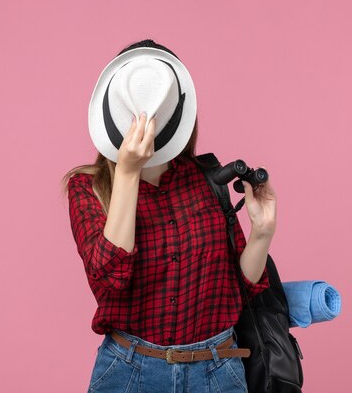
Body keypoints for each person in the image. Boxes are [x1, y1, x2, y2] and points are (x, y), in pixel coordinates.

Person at [61, 39, 277, 393]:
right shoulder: (87, 188)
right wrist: (129, 173)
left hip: (218, 370)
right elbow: (109, 279)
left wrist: (262, 232)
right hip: (129, 371)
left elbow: (241, 288)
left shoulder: (206, 177)